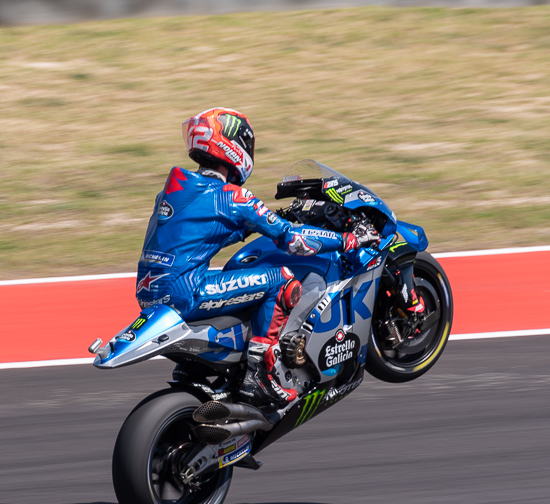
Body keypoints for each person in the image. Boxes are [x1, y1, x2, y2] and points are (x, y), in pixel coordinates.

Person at [135, 107, 379, 409]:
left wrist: (263, 222)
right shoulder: (231, 196)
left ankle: (193, 370)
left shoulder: (177, 189)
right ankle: (260, 375)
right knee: (282, 280)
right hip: (186, 291)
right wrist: (348, 239)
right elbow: (296, 241)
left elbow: (212, 232)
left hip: (148, 293)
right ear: (233, 145)